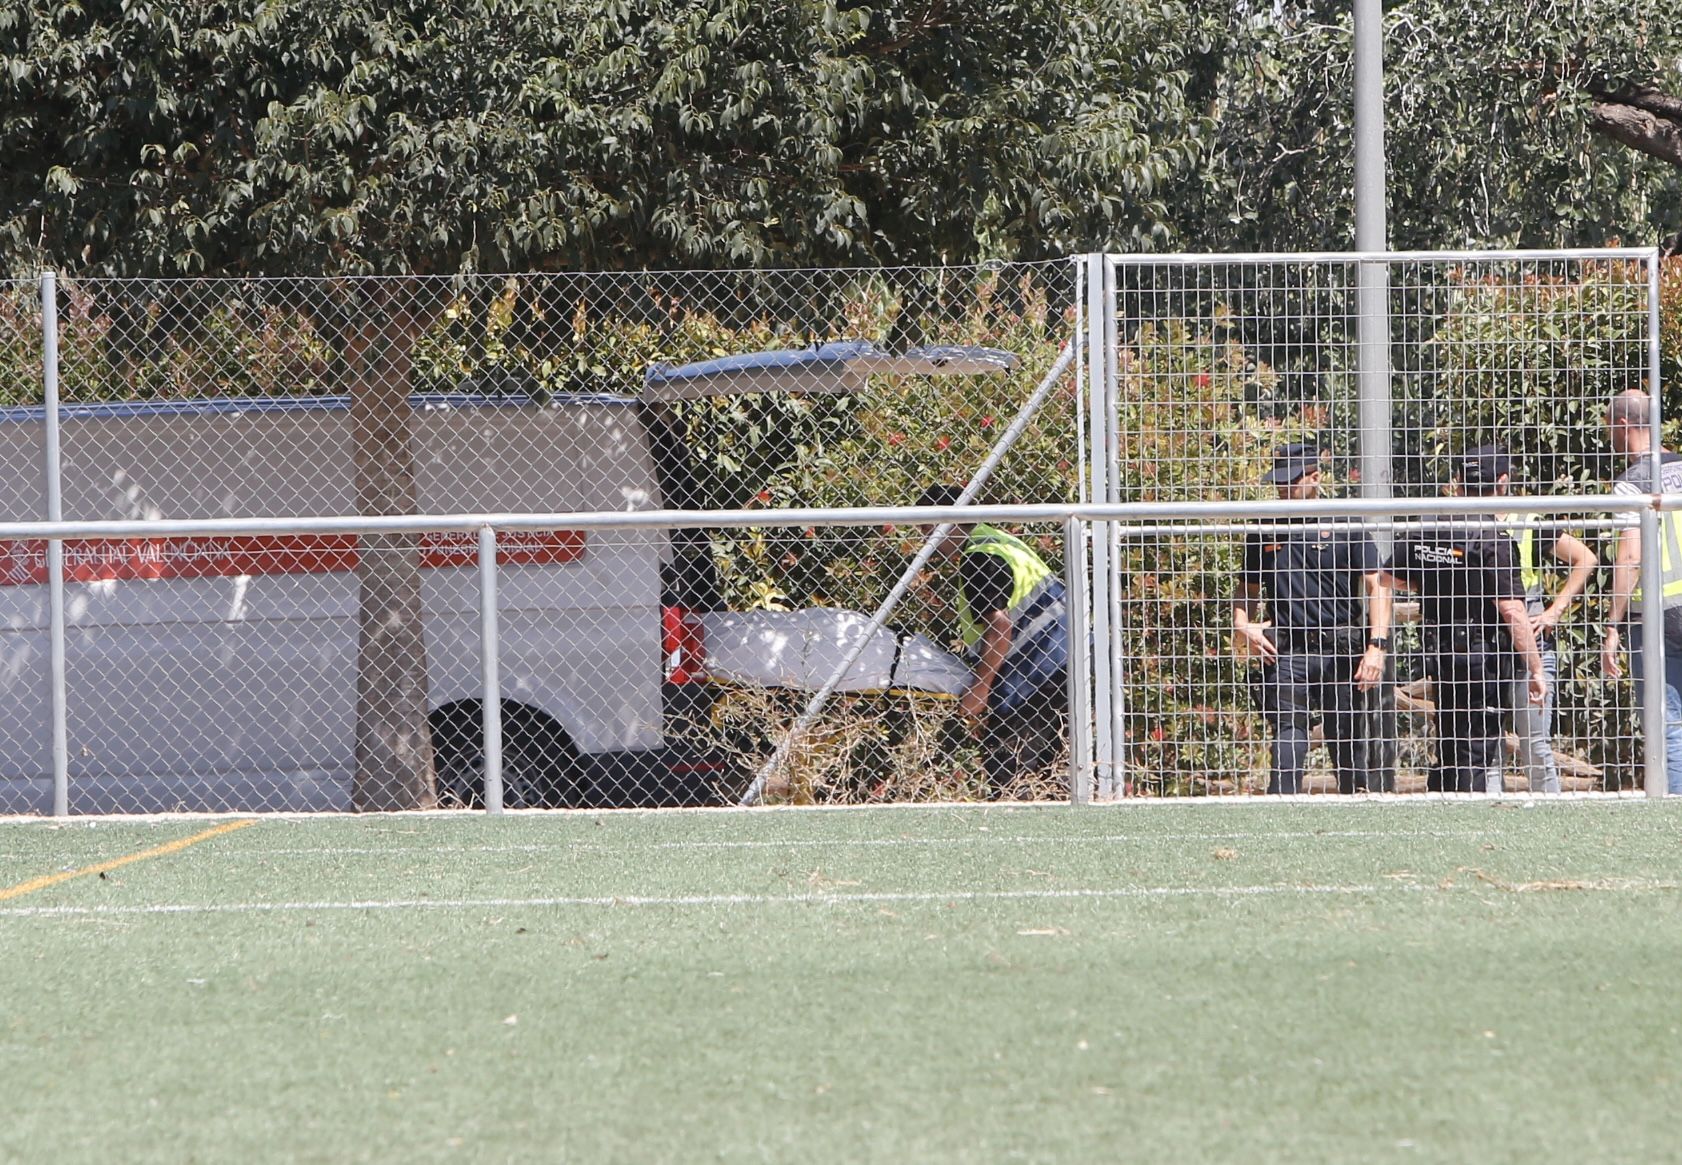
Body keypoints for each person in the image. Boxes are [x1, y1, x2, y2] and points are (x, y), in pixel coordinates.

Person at [1233, 444, 1392, 794]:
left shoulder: (1344, 520)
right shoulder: (1266, 526)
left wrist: (1376, 646)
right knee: (1289, 734)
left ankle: (1354, 802)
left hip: (1340, 650)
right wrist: (1243, 625)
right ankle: (1281, 809)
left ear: (1315, 477)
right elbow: (1247, 587)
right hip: (1287, 652)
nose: (1282, 490)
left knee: (1345, 735)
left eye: (1291, 481)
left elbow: (1377, 585)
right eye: (1278, 482)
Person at [1380, 474, 1547, 794]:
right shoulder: (1489, 534)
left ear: (1458, 483)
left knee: (1448, 739)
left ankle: (1445, 804)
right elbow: (1511, 610)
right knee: (1477, 744)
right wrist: (1536, 668)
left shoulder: (1427, 525)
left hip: (1440, 650)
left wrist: (1428, 583)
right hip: (1480, 654)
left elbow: (1389, 579)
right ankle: (1470, 813)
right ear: (1501, 483)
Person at [1452, 446, 1596, 794]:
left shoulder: (1526, 521)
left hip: (1527, 644)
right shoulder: (1455, 522)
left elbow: (1585, 559)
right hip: (1481, 647)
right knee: (1487, 745)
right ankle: (1493, 813)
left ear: (1501, 483)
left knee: (1534, 742)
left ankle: (1550, 813)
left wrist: (1553, 611)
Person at [916, 485, 1069, 797]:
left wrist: (980, 688)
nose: (924, 540)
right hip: (1064, 663)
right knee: (1056, 769)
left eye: (926, 528)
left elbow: (999, 626)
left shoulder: (978, 557)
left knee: (1011, 772)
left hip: (1032, 678)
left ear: (947, 522)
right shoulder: (1003, 543)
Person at [1601, 389, 1682, 793]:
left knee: (1666, 722)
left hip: (1656, 615)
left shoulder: (1631, 483)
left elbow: (1630, 557)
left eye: (1607, 426)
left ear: (1622, 424)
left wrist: (1612, 625)